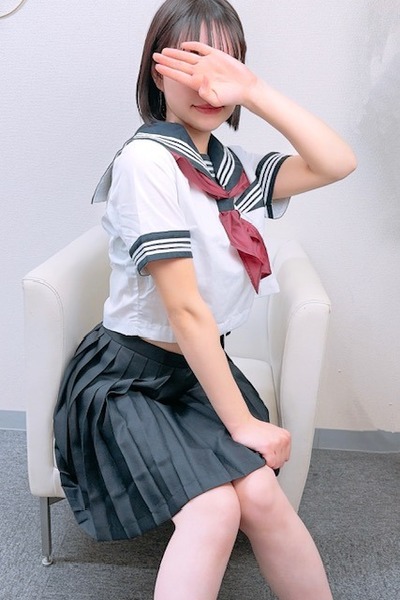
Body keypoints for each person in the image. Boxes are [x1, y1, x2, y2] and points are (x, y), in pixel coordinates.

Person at [54, 0, 356, 598]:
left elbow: (337, 162)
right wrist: (244, 425)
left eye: (223, 65)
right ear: (157, 70)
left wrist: (256, 91)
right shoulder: (146, 161)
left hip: (194, 371)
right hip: (126, 381)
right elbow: (185, 309)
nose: (208, 84)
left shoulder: (228, 168)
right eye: (191, 62)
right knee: (214, 510)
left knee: (261, 496)